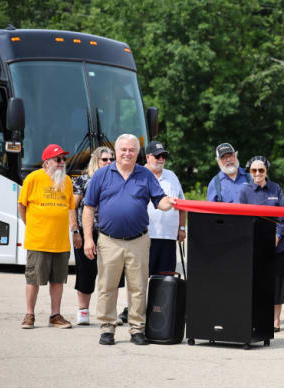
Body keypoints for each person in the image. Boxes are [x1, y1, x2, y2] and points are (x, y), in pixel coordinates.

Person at [83, 134, 176, 346]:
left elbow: (159, 200)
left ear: (138, 153)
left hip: (138, 241)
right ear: (116, 151)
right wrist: (88, 238)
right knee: (107, 286)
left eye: (132, 150)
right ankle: (107, 328)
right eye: (123, 149)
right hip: (109, 240)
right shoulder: (102, 175)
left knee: (138, 287)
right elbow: (88, 208)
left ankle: (137, 329)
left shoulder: (145, 175)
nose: (127, 153)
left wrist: (169, 202)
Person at [18, 143, 78, 329]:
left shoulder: (66, 181)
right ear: (46, 162)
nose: (61, 163)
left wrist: (75, 231)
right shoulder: (33, 178)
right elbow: (22, 205)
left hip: (60, 241)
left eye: (63, 159)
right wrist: (31, 224)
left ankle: (55, 316)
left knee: (58, 280)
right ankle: (29, 315)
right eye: (57, 159)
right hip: (38, 240)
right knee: (33, 279)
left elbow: (70, 208)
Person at [239, 156, 284, 331]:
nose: (258, 173)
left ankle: (275, 321)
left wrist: (276, 237)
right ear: (250, 172)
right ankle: (254, 317)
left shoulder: (276, 188)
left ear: (267, 170)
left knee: (277, 284)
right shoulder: (244, 191)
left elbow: (282, 217)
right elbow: (241, 219)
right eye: (254, 170)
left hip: (277, 245)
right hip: (254, 245)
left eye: (261, 170)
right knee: (254, 283)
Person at [72, 146, 114, 325]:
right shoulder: (83, 180)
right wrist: (75, 231)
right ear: (96, 160)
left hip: (110, 232)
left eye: (111, 159)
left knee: (112, 273)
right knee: (86, 271)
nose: (109, 162)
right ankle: (83, 311)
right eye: (105, 159)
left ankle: (110, 312)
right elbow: (71, 207)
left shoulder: (115, 179)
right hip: (86, 231)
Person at [145, 141, 187, 276]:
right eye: (158, 156)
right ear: (148, 157)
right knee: (141, 280)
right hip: (145, 237)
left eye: (164, 156)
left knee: (166, 280)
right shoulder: (138, 174)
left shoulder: (172, 176)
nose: (161, 159)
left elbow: (182, 204)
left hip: (169, 237)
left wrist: (181, 228)